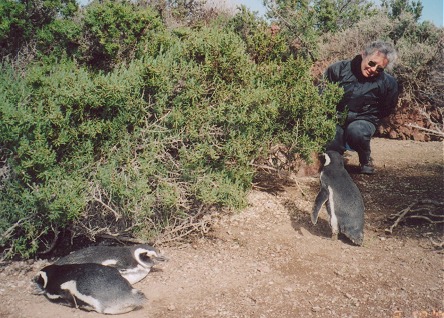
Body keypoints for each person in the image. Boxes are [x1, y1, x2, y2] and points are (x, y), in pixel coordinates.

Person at [324, 40, 399, 174]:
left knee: (357, 131)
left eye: (379, 68)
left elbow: (387, 108)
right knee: (332, 135)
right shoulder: (338, 69)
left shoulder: (388, 83)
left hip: (364, 119)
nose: (373, 70)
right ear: (363, 54)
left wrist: (368, 118)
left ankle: (365, 159)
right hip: (335, 117)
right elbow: (322, 95)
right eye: (372, 63)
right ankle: (334, 159)